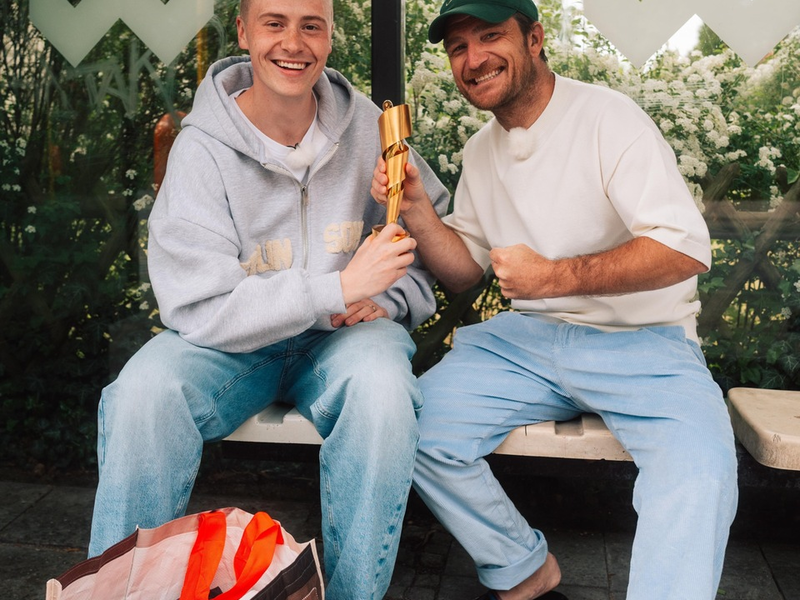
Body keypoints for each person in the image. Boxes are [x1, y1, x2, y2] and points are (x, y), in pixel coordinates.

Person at [371, 1, 739, 598]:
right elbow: (463, 271)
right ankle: (521, 567)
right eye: (459, 47)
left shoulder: (609, 118)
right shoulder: (480, 151)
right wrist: (414, 207)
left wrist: (554, 278)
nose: (474, 59)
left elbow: (684, 248)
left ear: (535, 39)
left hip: (643, 342)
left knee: (700, 471)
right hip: (526, 346)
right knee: (405, 426)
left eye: (491, 37)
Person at [88, 1, 449, 598]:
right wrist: (335, 287)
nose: (293, 43)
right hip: (230, 343)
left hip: (344, 336)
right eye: (274, 22)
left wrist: (390, 300)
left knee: (384, 394)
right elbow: (197, 306)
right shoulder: (202, 147)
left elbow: (429, 240)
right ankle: (119, 593)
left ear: (330, 36)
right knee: (141, 395)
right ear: (243, 31)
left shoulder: (369, 127)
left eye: (311, 25)